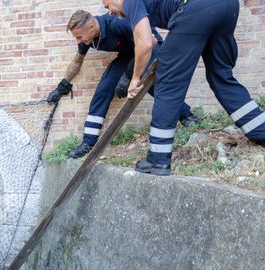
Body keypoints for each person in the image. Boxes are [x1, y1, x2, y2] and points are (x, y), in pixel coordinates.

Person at [102, 0, 265, 175]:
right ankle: (261, 131)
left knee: (167, 84)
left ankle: (158, 160)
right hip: (227, 5)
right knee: (221, 76)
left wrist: (134, 78)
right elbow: (152, 40)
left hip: (195, 8)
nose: (110, 13)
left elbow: (145, 43)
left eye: (107, 6)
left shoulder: (130, 2)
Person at [47, 10, 199, 159]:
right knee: (103, 90)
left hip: (150, 47)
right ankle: (88, 142)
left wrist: (128, 76)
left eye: (79, 37)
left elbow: (149, 42)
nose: (78, 41)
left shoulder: (118, 22)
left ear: (92, 26)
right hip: (129, 54)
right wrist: (62, 85)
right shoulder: (88, 39)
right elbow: (77, 61)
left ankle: (187, 116)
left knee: (150, 86)